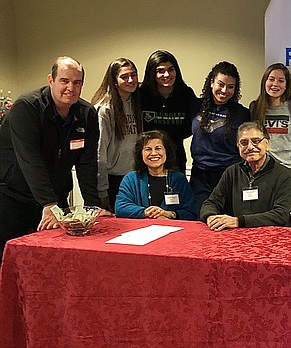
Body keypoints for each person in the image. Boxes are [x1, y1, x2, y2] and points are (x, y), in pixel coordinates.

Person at [0, 56, 101, 257]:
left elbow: (87, 164)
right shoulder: (27, 107)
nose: (70, 88)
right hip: (13, 197)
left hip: (55, 197)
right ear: (51, 80)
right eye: (64, 81)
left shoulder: (87, 114)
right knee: (9, 258)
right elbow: (30, 159)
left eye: (77, 82)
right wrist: (49, 204)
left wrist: (93, 207)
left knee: (54, 259)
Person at [200, 121, 291, 229]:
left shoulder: (284, 174)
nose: (250, 147)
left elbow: (281, 215)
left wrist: (239, 221)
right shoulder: (232, 172)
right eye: (244, 142)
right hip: (237, 237)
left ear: (267, 144)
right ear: (238, 146)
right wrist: (211, 217)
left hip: (271, 237)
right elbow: (211, 203)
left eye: (256, 141)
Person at [190, 61, 250, 212]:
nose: (224, 90)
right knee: (201, 218)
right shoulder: (195, 106)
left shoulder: (242, 114)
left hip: (228, 175)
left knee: (225, 222)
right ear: (211, 82)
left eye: (230, 87)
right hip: (200, 174)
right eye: (220, 84)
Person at [91, 58, 142, 212]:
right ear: (114, 80)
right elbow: (100, 153)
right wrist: (102, 190)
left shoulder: (137, 103)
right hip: (113, 180)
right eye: (124, 76)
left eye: (134, 75)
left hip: (135, 177)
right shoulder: (105, 109)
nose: (131, 80)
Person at [250, 63, 291, 203]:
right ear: (265, 81)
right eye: (271, 79)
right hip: (263, 174)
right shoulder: (255, 107)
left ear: (286, 85)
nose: (275, 84)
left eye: (281, 81)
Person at [115, 130, 197, 220]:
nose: (153, 153)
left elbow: (191, 212)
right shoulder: (131, 179)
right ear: (140, 154)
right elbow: (120, 208)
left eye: (158, 148)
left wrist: (169, 214)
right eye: (148, 149)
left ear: (166, 151)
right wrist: (147, 212)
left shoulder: (179, 179)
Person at [138, 50, 196, 174]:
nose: (166, 74)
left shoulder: (186, 94)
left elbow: (191, 126)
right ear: (152, 73)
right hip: (147, 159)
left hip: (176, 158)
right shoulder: (141, 94)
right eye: (160, 71)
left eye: (171, 69)